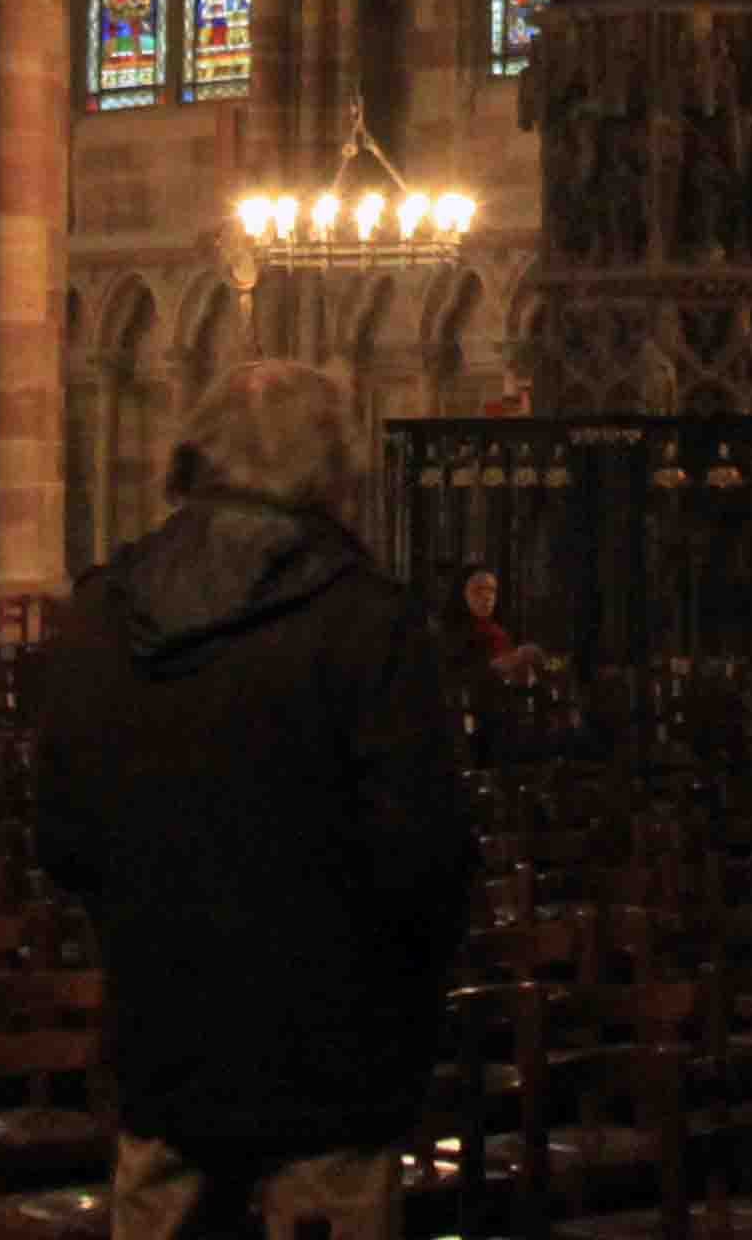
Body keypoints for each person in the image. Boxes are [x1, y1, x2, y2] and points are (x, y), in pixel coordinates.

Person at [36, 361, 477, 1240]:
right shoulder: (365, 624)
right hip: (333, 1072)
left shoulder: (101, 616)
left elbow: (63, 840)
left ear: (197, 457)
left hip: (166, 1050)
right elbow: (423, 855)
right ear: (332, 472)